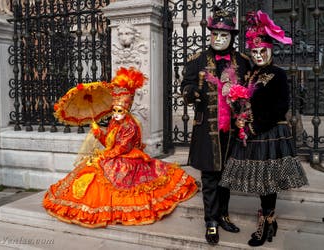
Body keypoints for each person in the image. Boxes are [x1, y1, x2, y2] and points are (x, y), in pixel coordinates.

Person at [43, 67, 198, 228]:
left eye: (119, 111)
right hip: (113, 155)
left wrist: (103, 156)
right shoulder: (114, 122)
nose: (116, 114)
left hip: (126, 159)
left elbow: (121, 148)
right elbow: (110, 144)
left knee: (106, 173)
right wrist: (99, 134)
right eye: (114, 111)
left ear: (126, 109)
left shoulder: (130, 125)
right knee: (89, 170)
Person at [220, 10, 308, 247]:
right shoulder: (251, 74)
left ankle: (267, 220)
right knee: (262, 181)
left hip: (270, 133)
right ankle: (269, 220)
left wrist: (256, 125)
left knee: (269, 181)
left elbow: (281, 106)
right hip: (251, 133)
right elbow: (245, 102)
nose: (258, 56)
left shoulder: (278, 74)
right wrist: (238, 115)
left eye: (263, 51)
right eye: (255, 52)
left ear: (270, 50)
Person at [180, 6, 251, 245]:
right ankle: (211, 220)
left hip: (232, 129)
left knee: (227, 175)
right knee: (210, 175)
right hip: (207, 129)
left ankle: (223, 214)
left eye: (224, 35)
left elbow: (250, 92)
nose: (219, 39)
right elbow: (186, 85)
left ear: (232, 37)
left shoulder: (243, 61)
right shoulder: (198, 60)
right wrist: (191, 93)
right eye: (215, 35)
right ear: (210, 35)